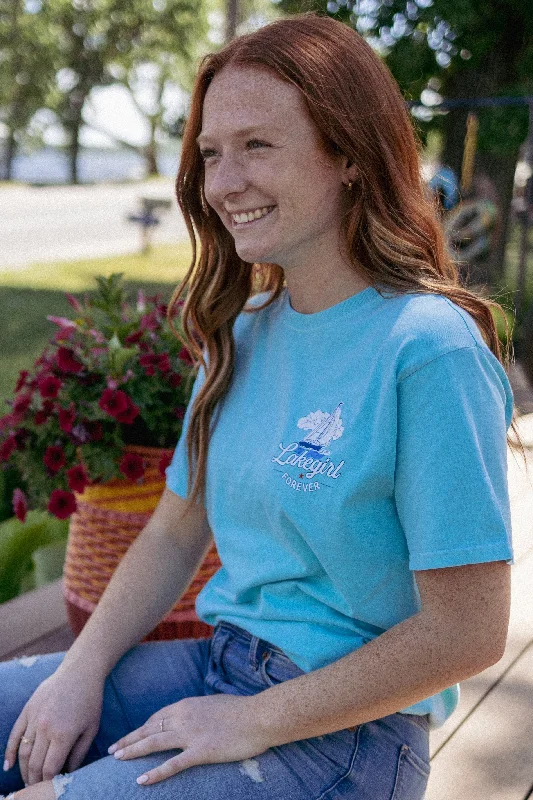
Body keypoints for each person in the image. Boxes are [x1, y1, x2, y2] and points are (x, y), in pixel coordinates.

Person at [0, 14, 522, 800]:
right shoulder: (243, 331)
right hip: (220, 665)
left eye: (257, 146)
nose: (222, 182)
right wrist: (82, 669)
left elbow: (467, 633)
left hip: (347, 736)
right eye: (211, 153)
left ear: (347, 154)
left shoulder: (428, 349)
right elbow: (176, 529)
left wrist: (248, 722)